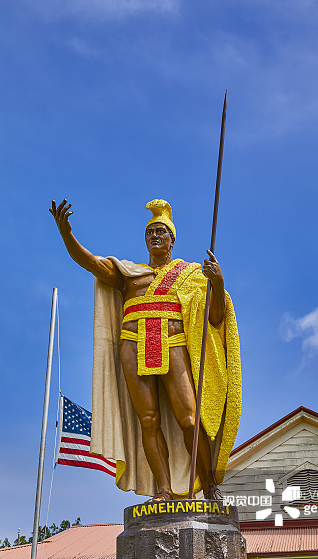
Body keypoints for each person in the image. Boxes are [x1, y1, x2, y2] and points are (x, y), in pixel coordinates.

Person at [50, 197, 241, 501]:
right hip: (134, 345)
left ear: (172, 240)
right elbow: (92, 263)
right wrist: (66, 235)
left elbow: (215, 319)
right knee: (148, 421)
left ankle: (209, 487)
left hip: (173, 344)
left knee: (189, 420)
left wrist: (217, 284)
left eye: (160, 231)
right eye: (149, 232)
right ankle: (163, 490)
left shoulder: (192, 275)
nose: (154, 236)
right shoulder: (130, 274)